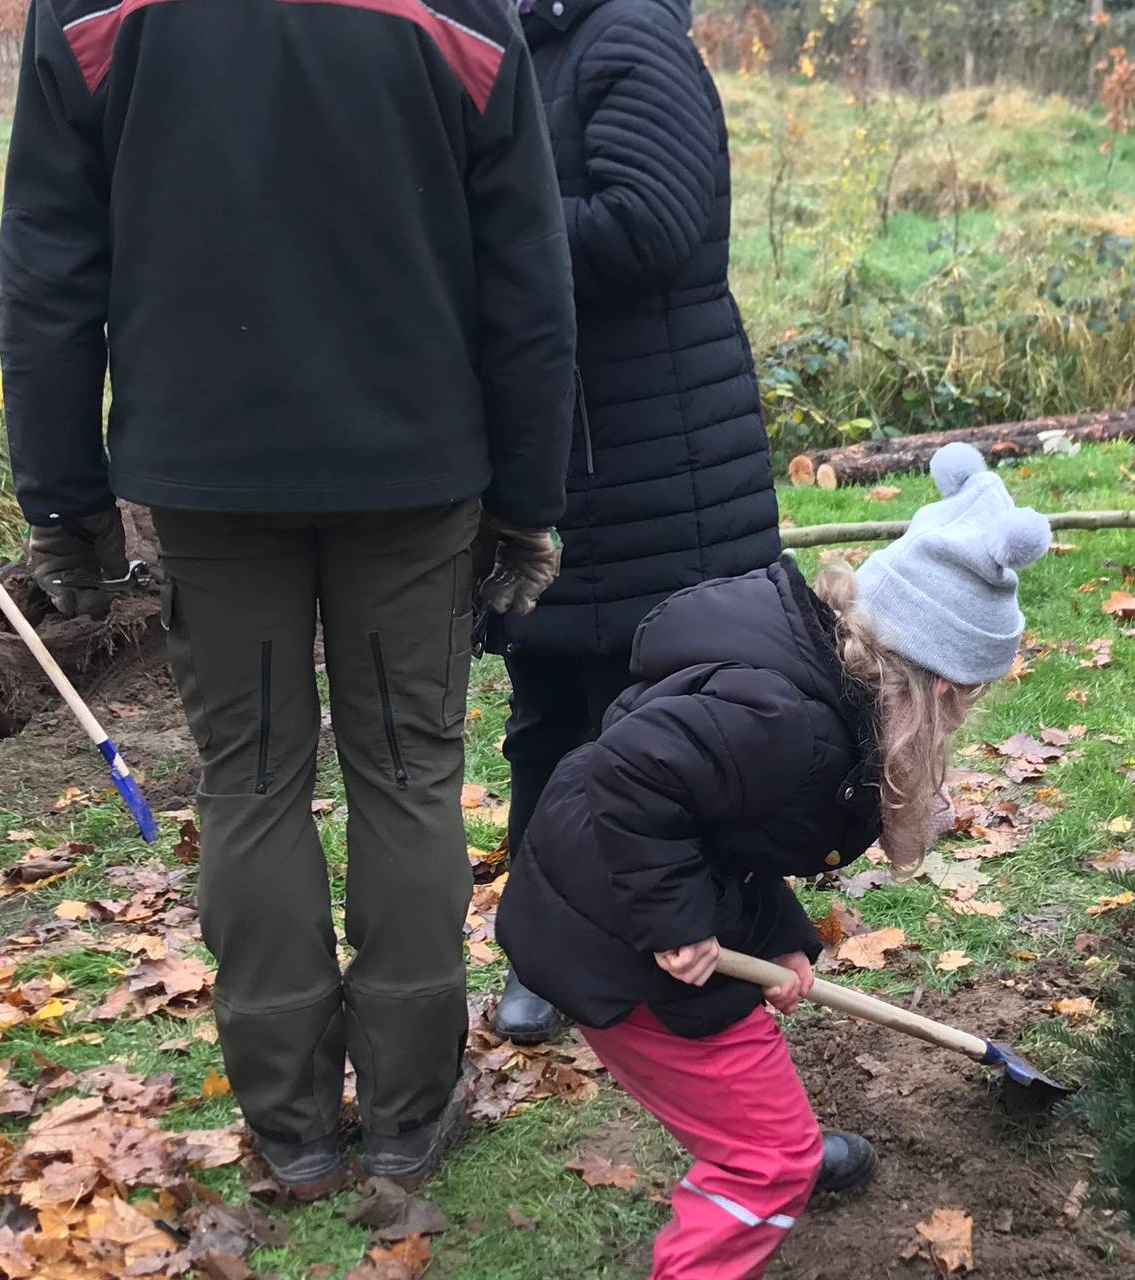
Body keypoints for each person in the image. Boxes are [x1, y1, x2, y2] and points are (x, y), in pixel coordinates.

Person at [0, 0, 577, 1195]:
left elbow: (51, 261)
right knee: (409, 771)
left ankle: (294, 1125)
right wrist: (528, 497)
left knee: (252, 778)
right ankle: (410, 1114)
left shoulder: (100, 17)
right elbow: (525, 268)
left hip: (210, 474)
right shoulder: (456, 16)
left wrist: (63, 498)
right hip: (411, 466)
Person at [496, 443, 1048, 1279]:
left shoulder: (820, 681)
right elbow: (630, 779)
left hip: (621, 895)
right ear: (938, 687)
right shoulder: (790, 722)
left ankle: (760, 1141)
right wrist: (679, 927)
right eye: (968, 702)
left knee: (758, 1123)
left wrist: (781, 937)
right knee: (768, 1163)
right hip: (612, 929)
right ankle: (762, 1167)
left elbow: (724, 829)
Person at [484, 0, 784, 1046]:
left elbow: (651, 218)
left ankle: (699, 969)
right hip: (557, 454)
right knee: (544, 718)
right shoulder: (516, 44)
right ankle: (543, 949)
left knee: (665, 728)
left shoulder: (630, 37)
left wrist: (483, 229)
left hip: (661, 462)